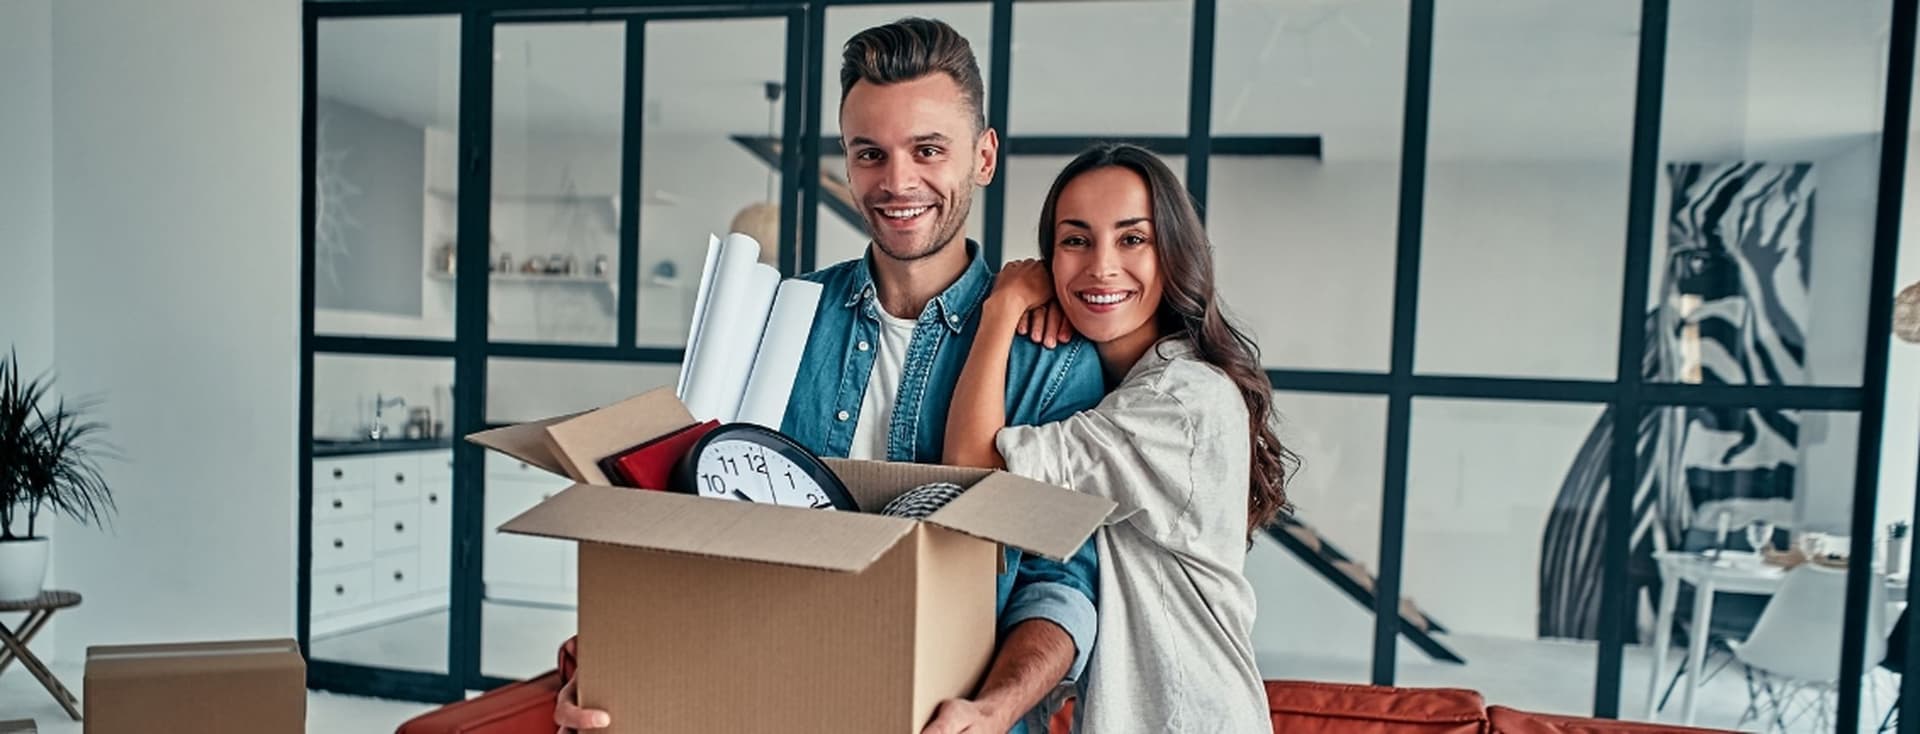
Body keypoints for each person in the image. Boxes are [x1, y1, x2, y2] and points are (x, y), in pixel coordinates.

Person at [555, 17, 1106, 734]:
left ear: (983, 156)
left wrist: (995, 708)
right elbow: (677, 525)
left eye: (928, 150)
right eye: (870, 153)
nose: (897, 181)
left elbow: (1060, 583)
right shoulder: (775, 321)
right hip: (771, 703)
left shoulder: (1048, 356)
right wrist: (607, 672)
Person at [943, 143, 1297, 733]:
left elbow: (973, 475)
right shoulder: (1131, 388)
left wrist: (1002, 311)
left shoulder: (1176, 401)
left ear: (1173, 256)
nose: (1101, 266)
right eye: (1075, 240)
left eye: (1132, 239)